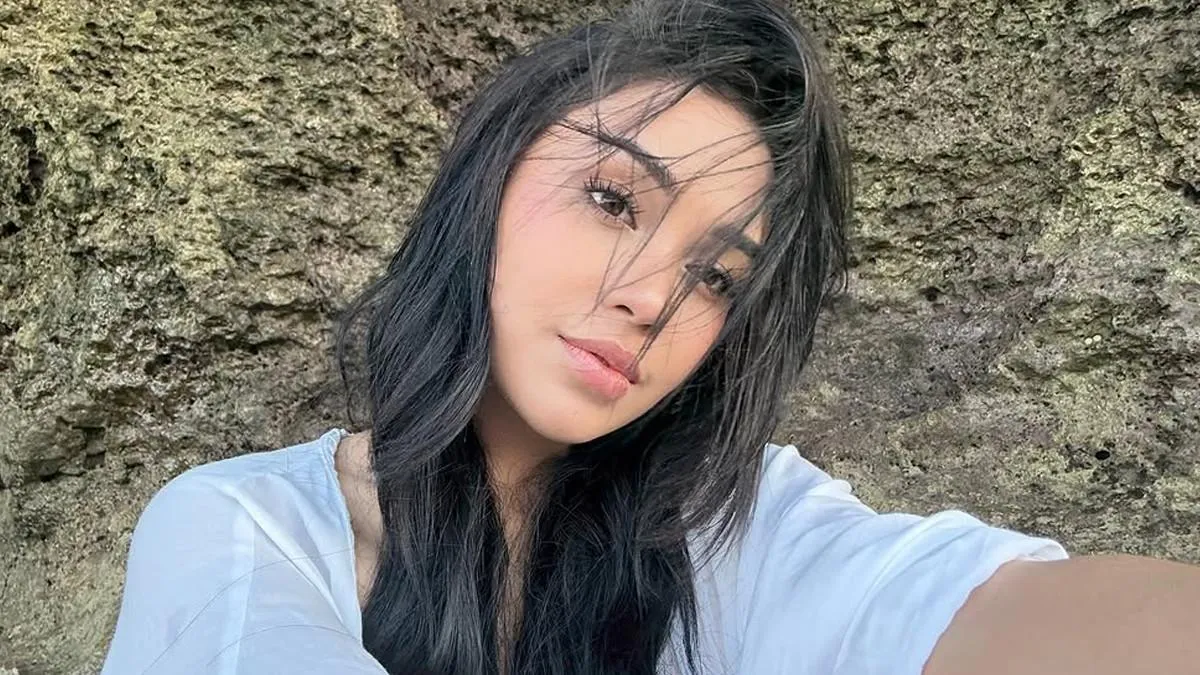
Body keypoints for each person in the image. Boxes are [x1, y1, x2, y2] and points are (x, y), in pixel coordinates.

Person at [99, 0, 1200, 673]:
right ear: (484, 184)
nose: (650, 300)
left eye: (716, 276)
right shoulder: (245, 530)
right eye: (615, 200)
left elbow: (984, 611)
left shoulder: (732, 534)